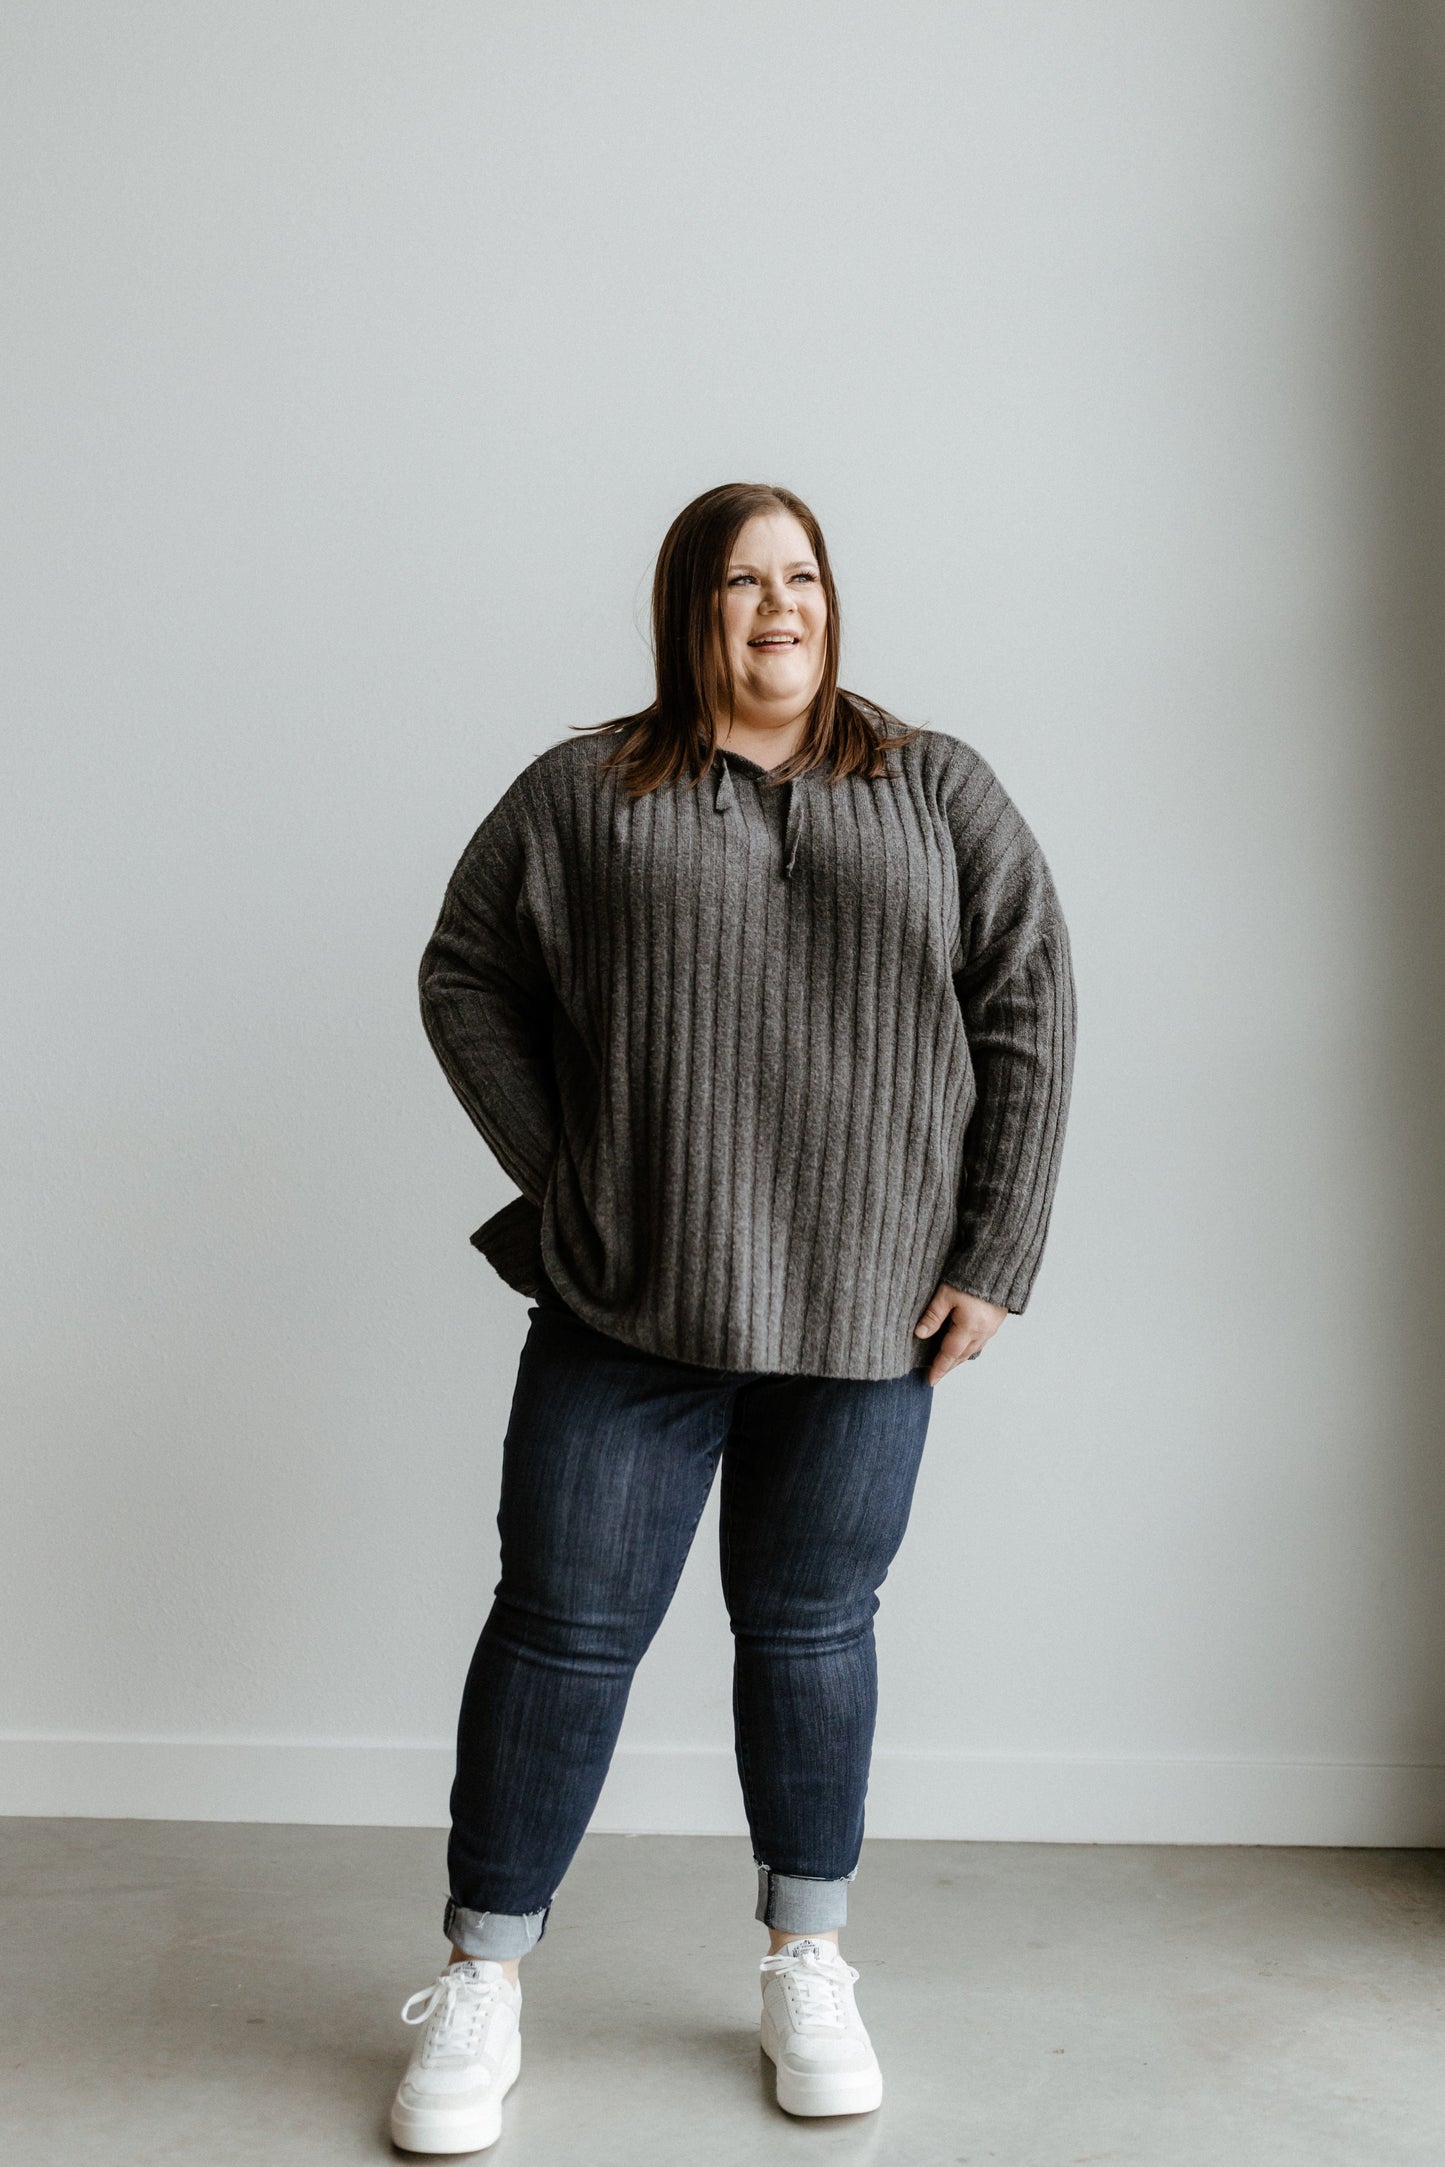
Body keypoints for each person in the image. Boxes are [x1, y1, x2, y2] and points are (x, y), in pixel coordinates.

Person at [390, 481, 1077, 2152]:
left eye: (803, 576)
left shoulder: (936, 787)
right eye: (741, 584)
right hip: (629, 1303)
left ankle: (807, 1956)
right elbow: (463, 971)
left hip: (865, 1320)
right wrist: (572, 1186)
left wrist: (994, 1252)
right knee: (559, 1635)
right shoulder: (585, 793)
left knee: (812, 1636)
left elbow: (1029, 1006)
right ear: (687, 611)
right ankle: (483, 1979)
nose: (780, 608)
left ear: (832, 599)